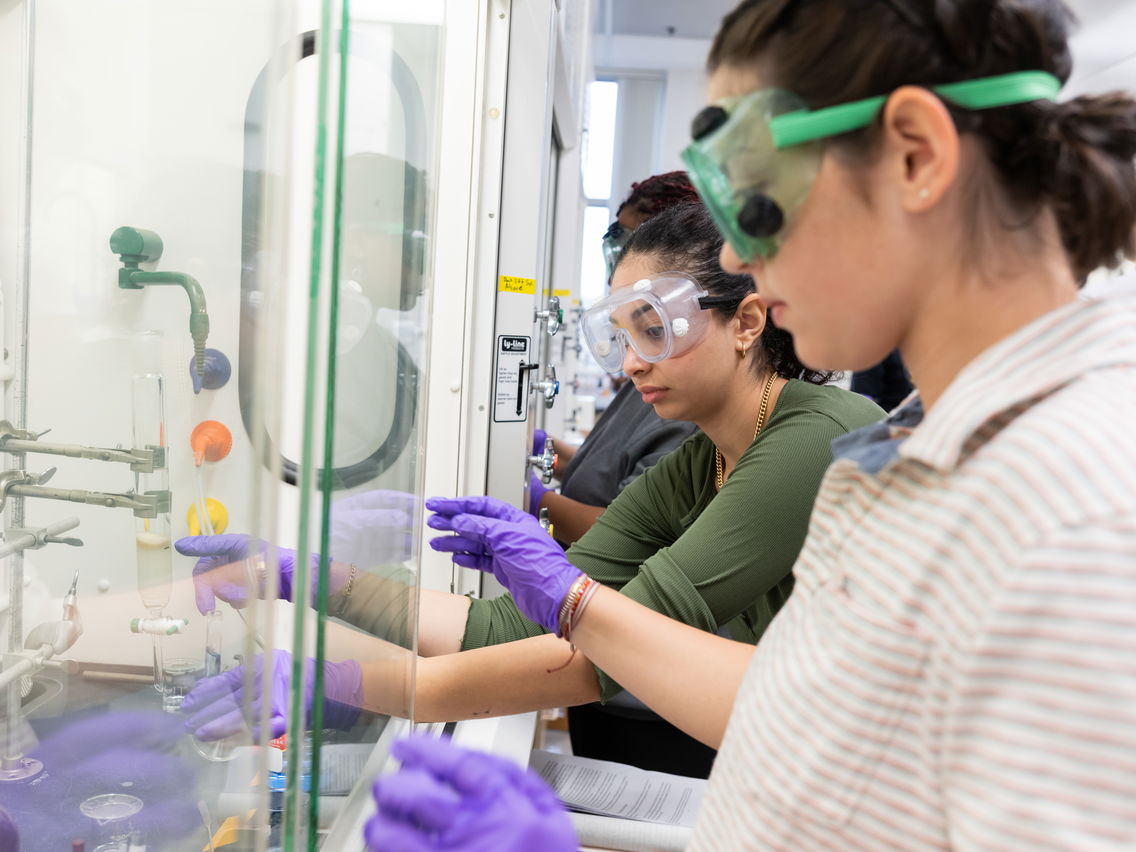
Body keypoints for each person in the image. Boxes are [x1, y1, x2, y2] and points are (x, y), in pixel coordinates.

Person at [381, 0, 1136, 848]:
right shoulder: (905, 453)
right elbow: (799, 725)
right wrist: (571, 604)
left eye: (756, 195)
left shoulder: (1081, 511)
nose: (737, 258)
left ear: (916, 157)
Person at [178, 201, 884, 778]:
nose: (632, 365)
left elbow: (589, 662)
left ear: (748, 322)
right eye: (620, 340)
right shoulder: (701, 464)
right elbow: (510, 629)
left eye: (655, 332)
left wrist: (347, 685)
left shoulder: (817, 439)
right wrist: (307, 577)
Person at [531, 171, 701, 546]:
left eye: (654, 330)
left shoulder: (686, 398)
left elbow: (629, 530)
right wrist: (543, 450)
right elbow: (610, 472)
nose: (630, 365)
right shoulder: (644, 367)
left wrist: (534, 500)